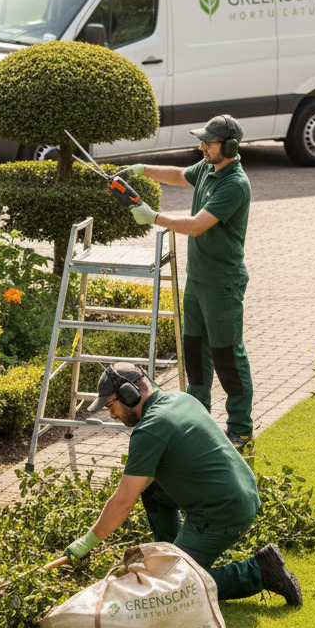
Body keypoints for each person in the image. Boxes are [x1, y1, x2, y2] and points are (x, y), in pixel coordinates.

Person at [64, 363, 302, 606]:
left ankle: (258, 572)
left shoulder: (150, 429)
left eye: (110, 405)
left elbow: (124, 501)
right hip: (243, 494)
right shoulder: (181, 399)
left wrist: (87, 542)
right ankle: (174, 552)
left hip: (223, 512)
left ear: (129, 394)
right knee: (150, 489)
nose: (111, 415)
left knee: (169, 586)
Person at [120, 114, 254, 451]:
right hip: (197, 283)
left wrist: (153, 218)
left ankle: (240, 428)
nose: (201, 146)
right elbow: (180, 175)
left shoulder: (234, 184)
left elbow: (196, 225)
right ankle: (199, 418)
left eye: (207, 143)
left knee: (227, 357)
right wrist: (141, 169)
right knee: (194, 354)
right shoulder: (209, 169)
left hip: (223, 285)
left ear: (229, 146)